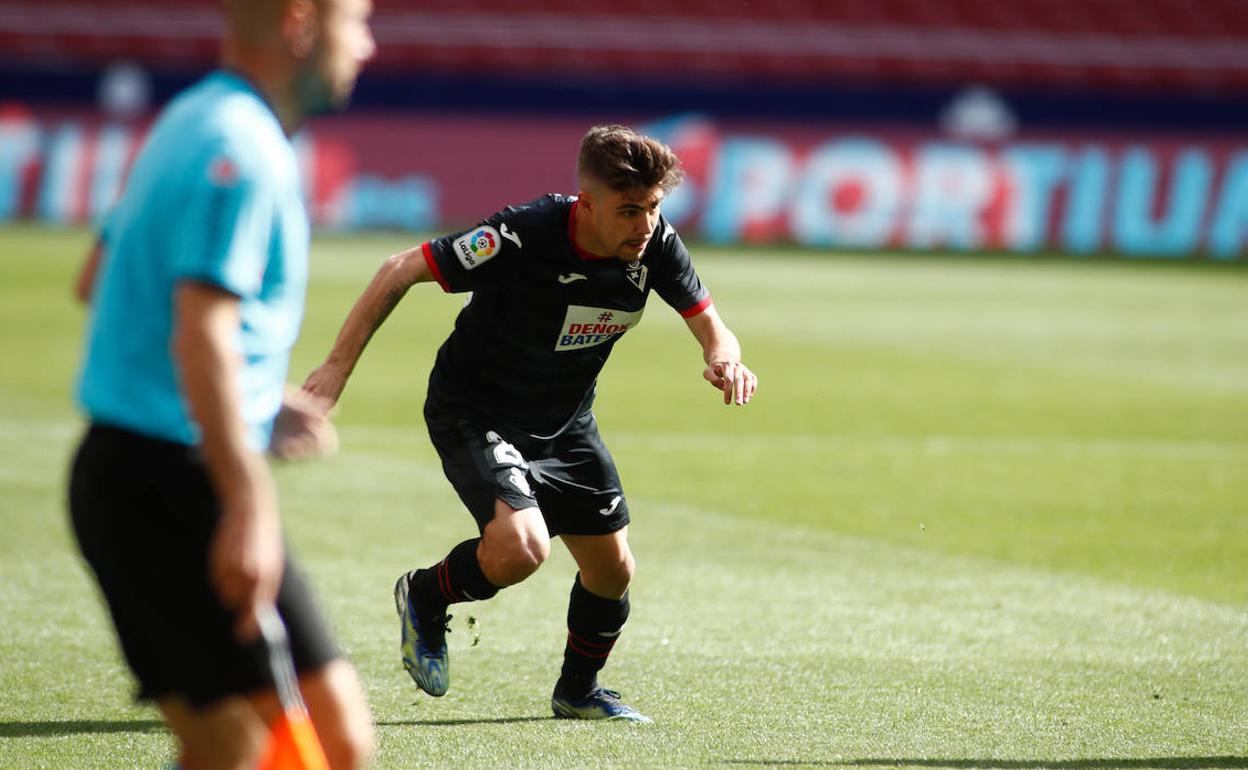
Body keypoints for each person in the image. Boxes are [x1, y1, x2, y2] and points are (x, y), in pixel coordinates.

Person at [301, 124, 759, 723]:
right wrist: (336, 369)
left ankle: (577, 692)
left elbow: (710, 322)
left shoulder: (655, 245)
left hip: (565, 423)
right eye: (628, 210)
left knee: (613, 570)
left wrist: (723, 356)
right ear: (587, 203)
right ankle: (426, 593)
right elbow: (399, 269)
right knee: (521, 549)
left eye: (652, 207)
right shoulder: (523, 234)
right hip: (475, 409)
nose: (644, 224)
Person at [68, 1, 376, 768]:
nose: (367, 46)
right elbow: (200, 326)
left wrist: (256, 397)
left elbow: (97, 277)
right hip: (171, 483)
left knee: (284, 744)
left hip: (140, 472)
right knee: (296, 747)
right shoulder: (242, 147)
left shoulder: (193, 117)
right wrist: (249, 503)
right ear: (302, 24)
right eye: (357, 22)